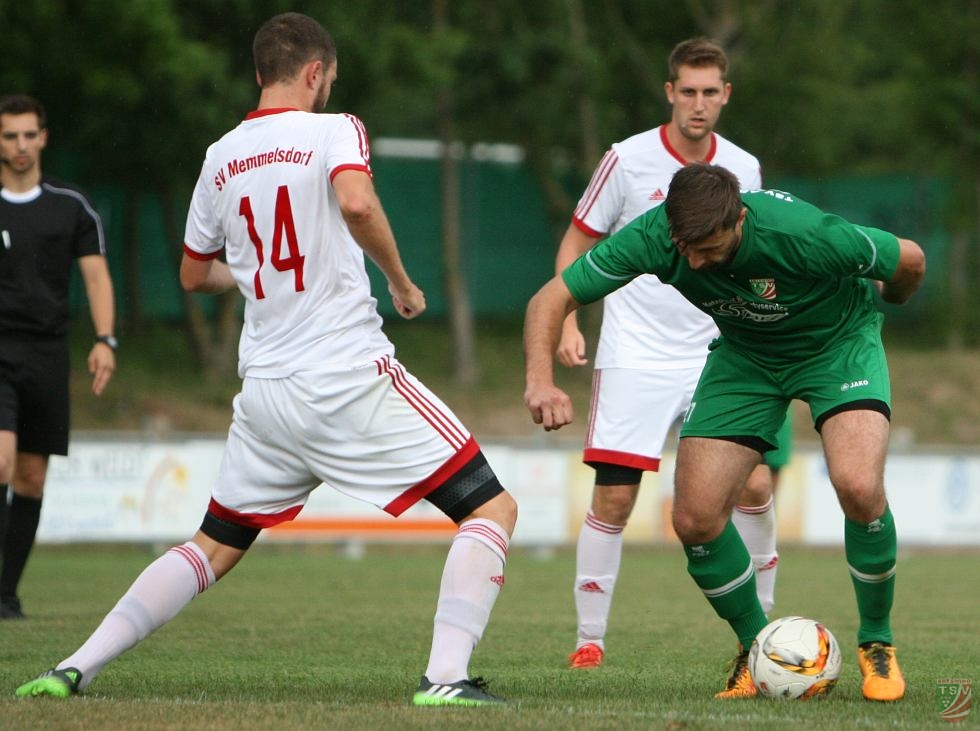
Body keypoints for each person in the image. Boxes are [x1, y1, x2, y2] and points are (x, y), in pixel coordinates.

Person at [16, 12, 517, 707]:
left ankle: (75, 665)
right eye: (329, 77)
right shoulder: (335, 127)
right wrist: (401, 281)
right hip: (345, 376)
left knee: (212, 545)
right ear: (316, 73)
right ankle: (445, 678)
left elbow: (194, 274)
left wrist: (250, 274)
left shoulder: (222, 154)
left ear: (259, 73)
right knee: (490, 506)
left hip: (267, 396)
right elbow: (357, 201)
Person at [524, 162, 924, 702]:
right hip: (747, 359)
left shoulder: (804, 233)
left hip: (838, 347)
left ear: (738, 220)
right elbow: (551, 298)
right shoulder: (657, 235)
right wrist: (539, 381)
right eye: (683, 246)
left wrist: (891, 300)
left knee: (856, 485)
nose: (692, 260)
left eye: (708, 248)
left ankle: (877, 643)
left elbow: (911, 260)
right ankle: (756, 647)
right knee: (694, 518)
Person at [554, 38, 786, 676]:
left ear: (726, 95)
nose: (699, 105)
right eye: (688, 91)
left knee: (758, 483)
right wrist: (569, 317)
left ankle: (763, 633)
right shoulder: (626, 160)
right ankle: (589, 640)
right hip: (635, 353)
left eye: (711, 92)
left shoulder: (745, 166)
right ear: (670, 92)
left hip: (720, 351)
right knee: (615, 500)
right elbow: (578, 240)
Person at [0, 94, 117, 620]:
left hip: (47, 356)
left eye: (29, 135)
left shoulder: (71, 207)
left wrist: (104, 339)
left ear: (43, 137)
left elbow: (95, 276)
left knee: (30, 477)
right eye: (9, 136)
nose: (20, 145)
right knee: (0, 461)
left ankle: (6, 595)